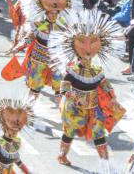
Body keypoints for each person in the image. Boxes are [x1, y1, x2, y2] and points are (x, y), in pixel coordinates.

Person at [53, 9, 126, 169]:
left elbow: (105, 84)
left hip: (93, 108)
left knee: (98, 134)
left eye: (93, 43)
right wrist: (74, 98)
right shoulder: (72, 70)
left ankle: (105, 163)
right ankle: (62, 155)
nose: (88, 51)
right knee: (69, 132)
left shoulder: (96, 71)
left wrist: (112, 97)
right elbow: (64, 88)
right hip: (74, 108)